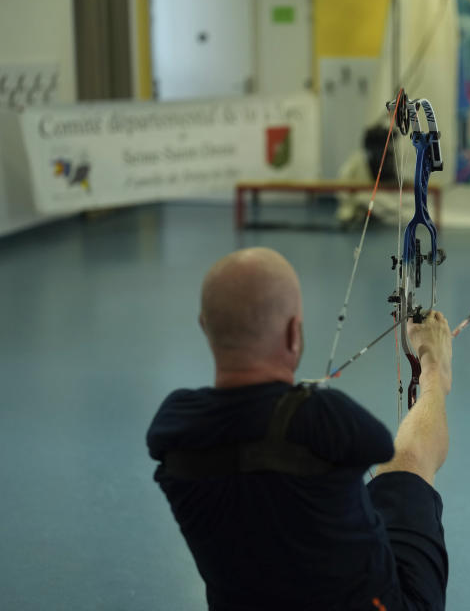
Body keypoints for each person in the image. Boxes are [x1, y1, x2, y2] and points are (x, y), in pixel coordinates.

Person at [146, 247, 452, 611]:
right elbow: (382, 447)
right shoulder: (323, 419)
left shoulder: (175, 427)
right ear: (294, 333)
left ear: (204, 327)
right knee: (409, 462)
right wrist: (429, 366)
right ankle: (437, 370)